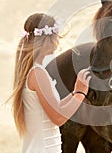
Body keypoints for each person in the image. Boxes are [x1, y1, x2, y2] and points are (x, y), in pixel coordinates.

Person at [9, 13, 91, 153]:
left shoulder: (35, 71)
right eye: (55, 36)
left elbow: (55, 108)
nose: (57, 41)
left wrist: (75, 91)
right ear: (46, 40)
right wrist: (80, 93)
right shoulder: (38, 74)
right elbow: (58, 117)